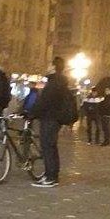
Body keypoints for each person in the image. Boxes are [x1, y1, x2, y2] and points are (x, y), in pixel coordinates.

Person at [28, 57, 73, 188]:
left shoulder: (54, 83)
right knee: (51, 147)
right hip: (54, 118)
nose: (47, 67)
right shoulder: (59, 82)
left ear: (53, 67)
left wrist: (32, 113)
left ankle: (51, 177)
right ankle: (51, 175)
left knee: (48, 147)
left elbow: (45, 102)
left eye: (49, 64)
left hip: (50, 118)